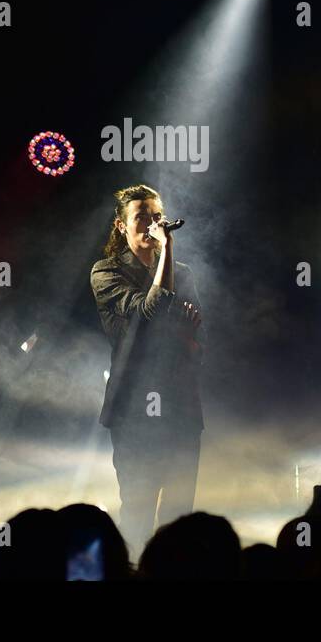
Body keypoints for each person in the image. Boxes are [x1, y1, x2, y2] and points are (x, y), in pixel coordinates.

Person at [90, 183, 204, 553]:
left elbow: (196, 341)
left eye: (157, 216)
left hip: (181, 406)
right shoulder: (106, 271)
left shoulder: (182, 272)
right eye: (142, 217)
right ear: (122, 226)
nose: (154, 224)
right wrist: (168, 247)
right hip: (134, 411)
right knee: (138, 512)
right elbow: (148, 312)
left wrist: (190, 339)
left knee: (180, 518)